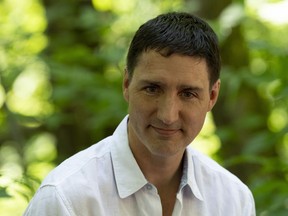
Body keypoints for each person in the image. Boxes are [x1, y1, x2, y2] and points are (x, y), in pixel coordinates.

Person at [24, 12, 256, 216]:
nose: (168, 115)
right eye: (152, 89)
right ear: (126, 84)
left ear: (212, 97)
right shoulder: (66, 198)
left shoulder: (233, 200)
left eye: (187, 94)